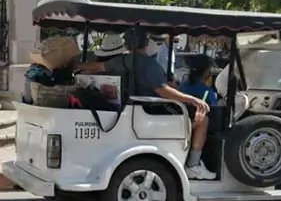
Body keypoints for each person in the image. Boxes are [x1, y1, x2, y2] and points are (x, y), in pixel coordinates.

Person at [77, 30, 216, 180]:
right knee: (203, 120)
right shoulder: (149, 63)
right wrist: (194, 100)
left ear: (126, 44)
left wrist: (75, 64)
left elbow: (98, 67)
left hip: (131, 107)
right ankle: (193, 165)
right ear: (146, 43)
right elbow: (163, 91)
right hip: (152, 108)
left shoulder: (122, 60)